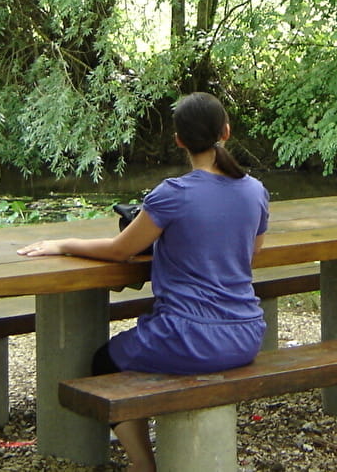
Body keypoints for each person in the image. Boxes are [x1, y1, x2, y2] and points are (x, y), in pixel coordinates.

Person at [17, 92, 269, 472]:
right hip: (248, 335)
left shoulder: (173, 194)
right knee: (143, 354)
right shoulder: (255, 190)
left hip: (190, 338)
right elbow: (250, 254)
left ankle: (142, 466)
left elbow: (121, 250)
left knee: (104, 362)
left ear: (179, 140)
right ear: (227, 132)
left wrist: (62, 243)